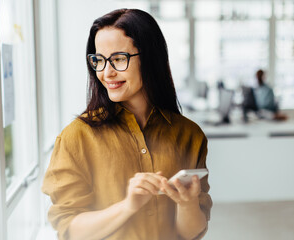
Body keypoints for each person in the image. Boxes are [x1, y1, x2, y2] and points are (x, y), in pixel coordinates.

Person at [42, 8, 212, 240]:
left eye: (119, 59)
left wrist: (187, 203)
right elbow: (70, 230)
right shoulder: (76, 138)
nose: (106, 72)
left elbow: (191, 233)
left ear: (150, 58)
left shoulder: (190, 134)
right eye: (98, 60)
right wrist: (128, 206)